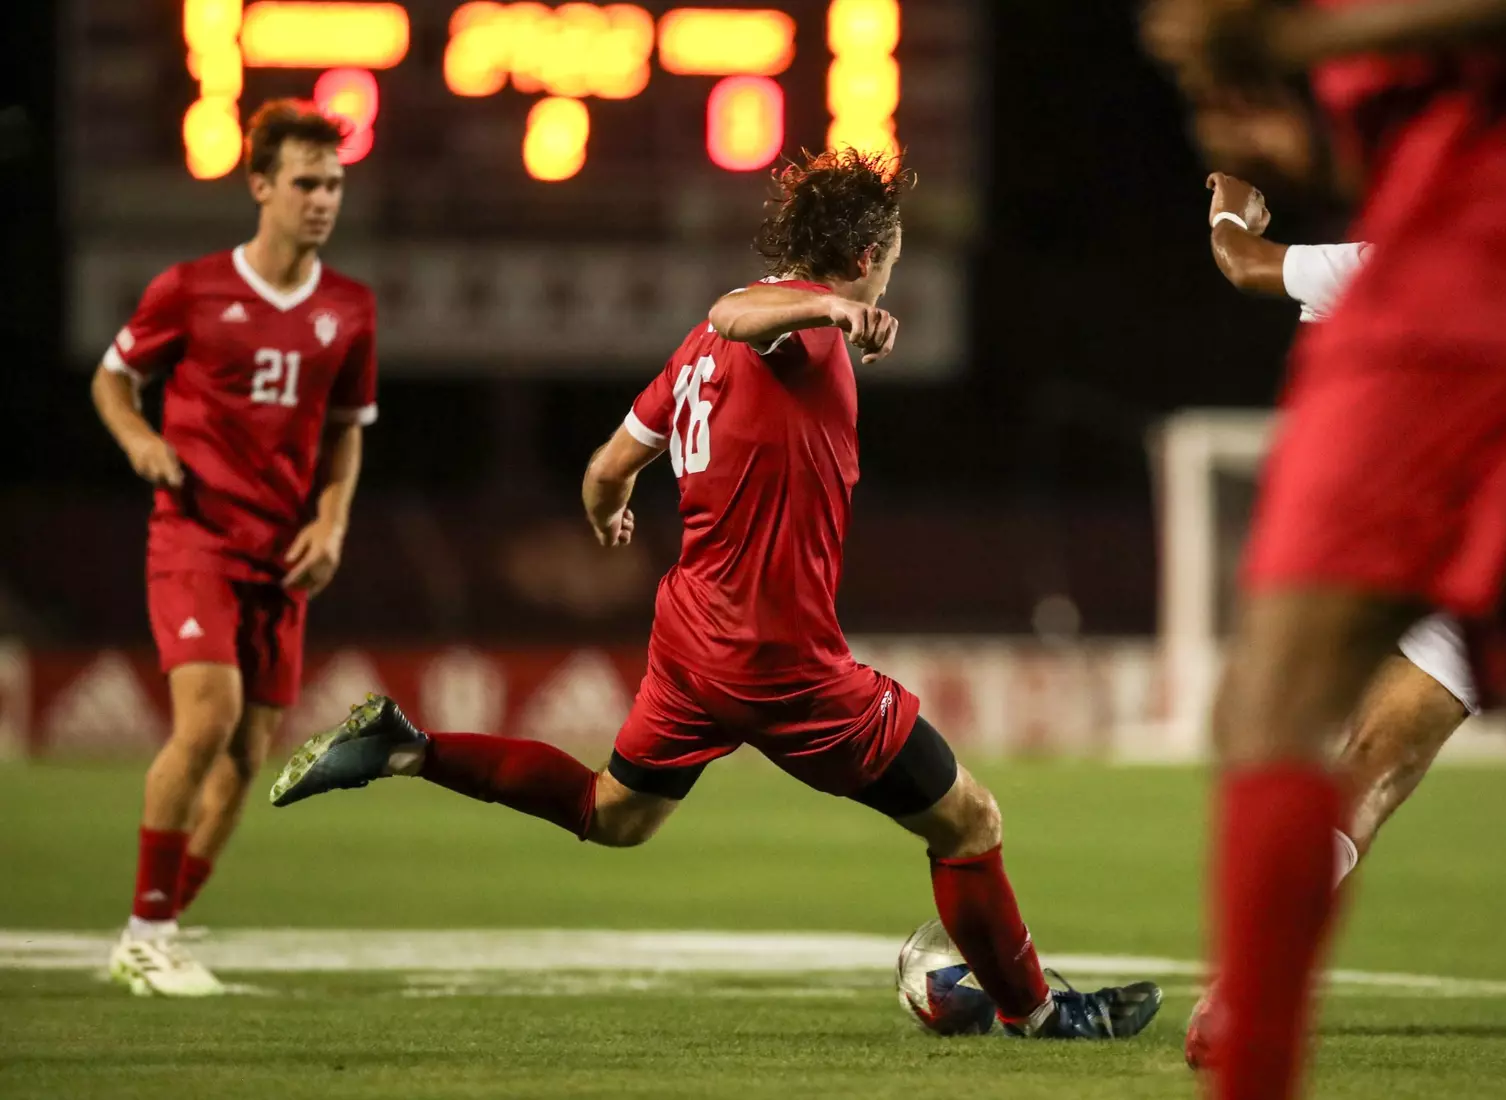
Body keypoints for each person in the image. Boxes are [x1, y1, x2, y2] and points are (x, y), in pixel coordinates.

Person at [268, 148, 1163, 1040]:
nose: (890, 272)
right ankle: (1039, 1014)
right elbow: (734, 311)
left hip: (694, 637)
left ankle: (409, 749)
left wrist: (609, 511)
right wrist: (836, 312)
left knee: (614, 816)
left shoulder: (698, 358)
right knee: (969, 820)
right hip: (780, 664)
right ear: (863, 257)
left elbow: (606, 467)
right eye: (888, 253)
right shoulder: (785, 329)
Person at [1143, 2, 1506, 1097]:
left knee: (1273, 704)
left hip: (1470, 317)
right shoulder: (1485, 180)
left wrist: (1282, 44)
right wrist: (1274, 147)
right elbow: (1271, 238)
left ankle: (1249, 1049)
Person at [1204, 173, 1506, 868]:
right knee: (1369, 763)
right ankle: (1247, 982)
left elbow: (1246, 261)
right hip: (1495, 547)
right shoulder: (1420, 251)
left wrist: (1232, 213)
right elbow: (1251, 264)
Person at [92, 99, 378, 996]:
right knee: (206, 721)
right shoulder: (190, 289)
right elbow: (113, 378)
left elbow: (346, 431)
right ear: (260, 184)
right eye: (305, 183)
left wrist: (330, 524)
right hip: (195, 539)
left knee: (249, 756)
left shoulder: (350, 308)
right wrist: (139, 439)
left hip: (282, 557)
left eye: (333, 184)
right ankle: (144, 931)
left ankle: (162, 927)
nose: (322, 199)